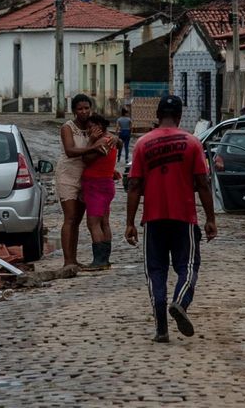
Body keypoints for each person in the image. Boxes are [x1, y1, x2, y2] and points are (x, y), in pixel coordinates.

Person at [125, 95, 217, 343]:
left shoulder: (143, 144)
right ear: (179, 116)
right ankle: (180, 302)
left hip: (153, 219)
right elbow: (203, 183)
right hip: (184, 217)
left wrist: (130, 222)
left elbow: (134, 185)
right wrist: (210, 218)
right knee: (187, 267)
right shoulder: (192, 143)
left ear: (157, 116)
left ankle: (161, 328)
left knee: (155, 272)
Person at [56, 94, 113, 269]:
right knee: (70, 218)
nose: (84, 112)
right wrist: (92, 144)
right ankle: (68, 261)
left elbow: (108, 139)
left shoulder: (93, 126)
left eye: (86, 108)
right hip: (68, 175)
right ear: (74, 111)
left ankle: (75, 259)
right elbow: (70, 151)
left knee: (79, 220)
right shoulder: (68, 127)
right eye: (80, 109)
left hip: (88, 177)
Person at [81, 114, 120, 270]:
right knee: (104, 221)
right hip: (105, 183)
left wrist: (90, 141)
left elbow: (86, 159)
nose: (90, 129)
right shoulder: (111, 139)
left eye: (92, 126)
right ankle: (104, 259)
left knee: (93, 223)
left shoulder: (102, 142)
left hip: (96, 185)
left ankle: (99, 260)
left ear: (100, 126)